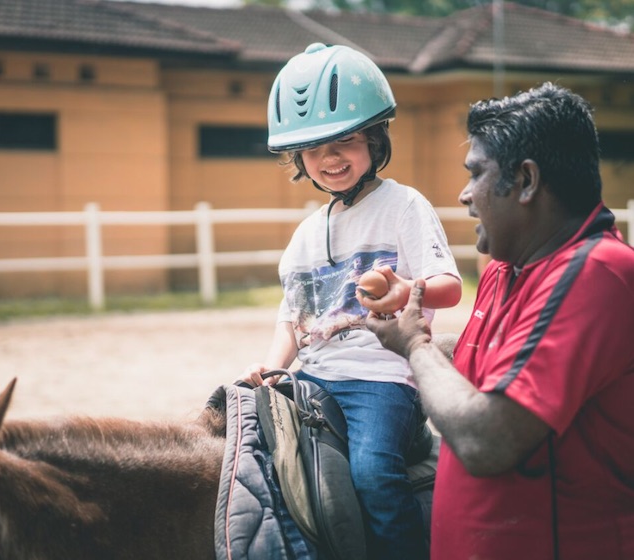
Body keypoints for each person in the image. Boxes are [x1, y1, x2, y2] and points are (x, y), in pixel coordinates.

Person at [363, 82, 634, 560]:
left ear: (526, 181)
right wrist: (410, 335)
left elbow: (486, 439)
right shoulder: (506, 269)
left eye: (476, 174)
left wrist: (415, 348)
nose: (465, 194)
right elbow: (481, 370)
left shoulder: (597, 274)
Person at [241, 43, 462, 560]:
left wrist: (408, 293)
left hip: (381, 379)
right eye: (314, 151)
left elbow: (447, 285)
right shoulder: (303, 235)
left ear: (375, 139)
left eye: (345, 142)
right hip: (315, 377)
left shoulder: (405, 206)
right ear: (299, 160)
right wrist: (272, 369)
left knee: (372, 472)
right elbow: (292, 317)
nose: (330, 159)